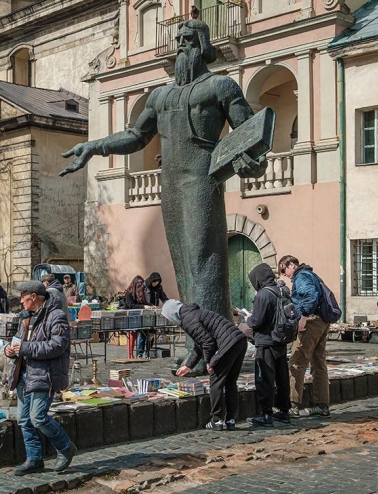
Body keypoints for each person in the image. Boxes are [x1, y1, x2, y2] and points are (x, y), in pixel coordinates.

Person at [59, 19, 267, 370]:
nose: (180, 46)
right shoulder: (160, 96)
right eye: (178, 40)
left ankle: (216, 346)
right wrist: (94, 147)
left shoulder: (221, 86)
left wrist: (254, 164)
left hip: (203, 177)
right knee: (185, 268)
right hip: (169, 182)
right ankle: (197, 344)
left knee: (205, 261)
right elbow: (135, 137)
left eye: (188, 40)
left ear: (202, 46)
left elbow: (250, 135)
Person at [5, 280, 76, 475]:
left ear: (33, 297)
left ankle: (65, 447)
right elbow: (18, 342)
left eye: (23, 297)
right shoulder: (25, 318)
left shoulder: (56, 316)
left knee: (38, 418)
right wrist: (9, 350)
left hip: (44, 375)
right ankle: (34, 459)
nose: (21, 301)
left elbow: (58, 345)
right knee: (24, 420)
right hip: (24, 374)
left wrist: (25, 348)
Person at [164, 299, 247, 430]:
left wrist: (210, 361)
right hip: (239, 340)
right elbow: (199, 345)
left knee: (216, 382)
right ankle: (230, 419)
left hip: (228, 344)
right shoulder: (194, 314)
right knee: (230, 382)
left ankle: (217, 420)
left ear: (172, 314)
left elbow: (207, 343)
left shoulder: (188, 320)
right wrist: (189, 366)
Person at [278, 255, 331, 418]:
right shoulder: (311, 274)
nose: (284, 274)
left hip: (312, 321)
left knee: (296, 361)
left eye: (283, 269)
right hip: (323, 321)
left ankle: (292, 405)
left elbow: (311, 296)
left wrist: (304, 317)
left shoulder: (301, 277)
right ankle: (322, 405)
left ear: (291, 265)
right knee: (318, 362)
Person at [244, 263, 291, 426]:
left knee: (265, 377)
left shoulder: (263, 295)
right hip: (281, 339)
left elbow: (256, 321)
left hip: (266, 341)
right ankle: (284, 411)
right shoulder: (283, 290)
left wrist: (247, 319)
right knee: (282, 376)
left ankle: (266, 414)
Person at [138, 272, 169, 358]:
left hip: (153, 313)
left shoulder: (159, 288)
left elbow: (163, 297)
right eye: (154, 282)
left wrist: (167, 303)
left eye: (157, 282)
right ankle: (139, 353)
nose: (155, 284)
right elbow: (141, 299)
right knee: (143, 333)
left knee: (151, 334)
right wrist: (148, 306)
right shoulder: (144, 286)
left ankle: (148, 352)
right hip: (145, 313)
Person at [119, 275, 152, 358]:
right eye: (140, 285)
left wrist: (150, 305)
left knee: (144, 333)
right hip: (131, 317)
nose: (141, 287)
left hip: (139, 317)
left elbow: (142, 302)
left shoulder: (140, 293)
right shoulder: (129, 293)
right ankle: (130, 355)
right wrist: (144, 307)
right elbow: (131, 305)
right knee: (132, 335)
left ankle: (141, 353)